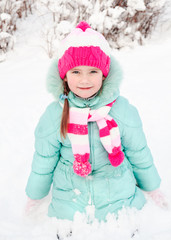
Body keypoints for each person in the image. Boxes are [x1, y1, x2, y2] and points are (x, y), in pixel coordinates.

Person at [25, 21, 167, 236]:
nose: (84, 80)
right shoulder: (56, 114)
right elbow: (44, 160)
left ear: (104, 74)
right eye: (75, 71)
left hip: (119, 197)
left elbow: (138, 153)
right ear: (64, 75)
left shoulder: (121, 110)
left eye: (93, 71)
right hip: (69, 202)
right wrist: (35, 195)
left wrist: (152, 187)